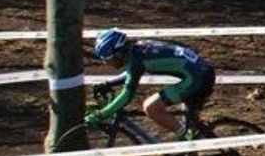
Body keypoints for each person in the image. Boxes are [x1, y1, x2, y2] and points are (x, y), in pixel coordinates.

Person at [85, 28, 216, 139]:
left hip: (197, 78)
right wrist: (109, 83)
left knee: (151, 107)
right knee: (190, 123)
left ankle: (188, 139)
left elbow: (127, 95)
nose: (106, 63)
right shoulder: (138, 49)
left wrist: (101, 114)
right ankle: (192, 154)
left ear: (119, 53)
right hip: (201, 73)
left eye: (108, 59)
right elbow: (131, 72)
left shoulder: (137, 61)